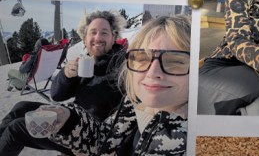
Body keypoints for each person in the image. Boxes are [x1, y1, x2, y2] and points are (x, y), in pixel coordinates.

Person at [41, 15, 191, 156]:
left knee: (18, 124)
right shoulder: (134, 105)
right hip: (85, 134)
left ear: (114, 38)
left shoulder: (192, 139)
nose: (152, 72)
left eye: (174, 61)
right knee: (20, 110)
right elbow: (107, 138)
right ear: (84, 38)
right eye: (142, 58)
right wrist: (69, 118)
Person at [0, 10, 126, 155]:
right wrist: (66, 75)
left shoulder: (122, 66)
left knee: (17, 129)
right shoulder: (86, 61)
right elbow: (56, 95)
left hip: (88, 135)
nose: (97, 37)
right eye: (93, 32)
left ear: (113, 37)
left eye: (104, 32)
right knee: (20, 107)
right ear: (85, 38)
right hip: (72, 117)